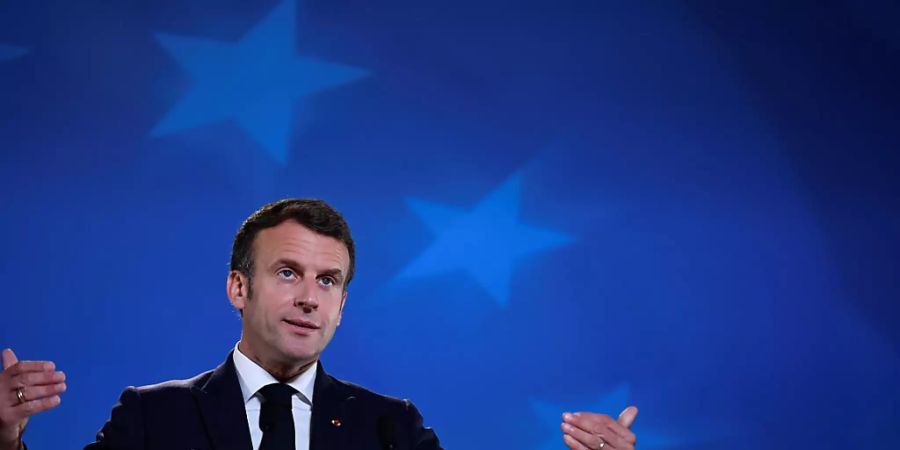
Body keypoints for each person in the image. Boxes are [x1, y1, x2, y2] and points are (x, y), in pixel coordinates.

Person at [0, 199, 639, 450]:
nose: (309, 297)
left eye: (328, 281)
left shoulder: (391, 426)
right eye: (287, 273)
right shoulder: (152, 415)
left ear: (342, 306)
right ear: (237, 287)